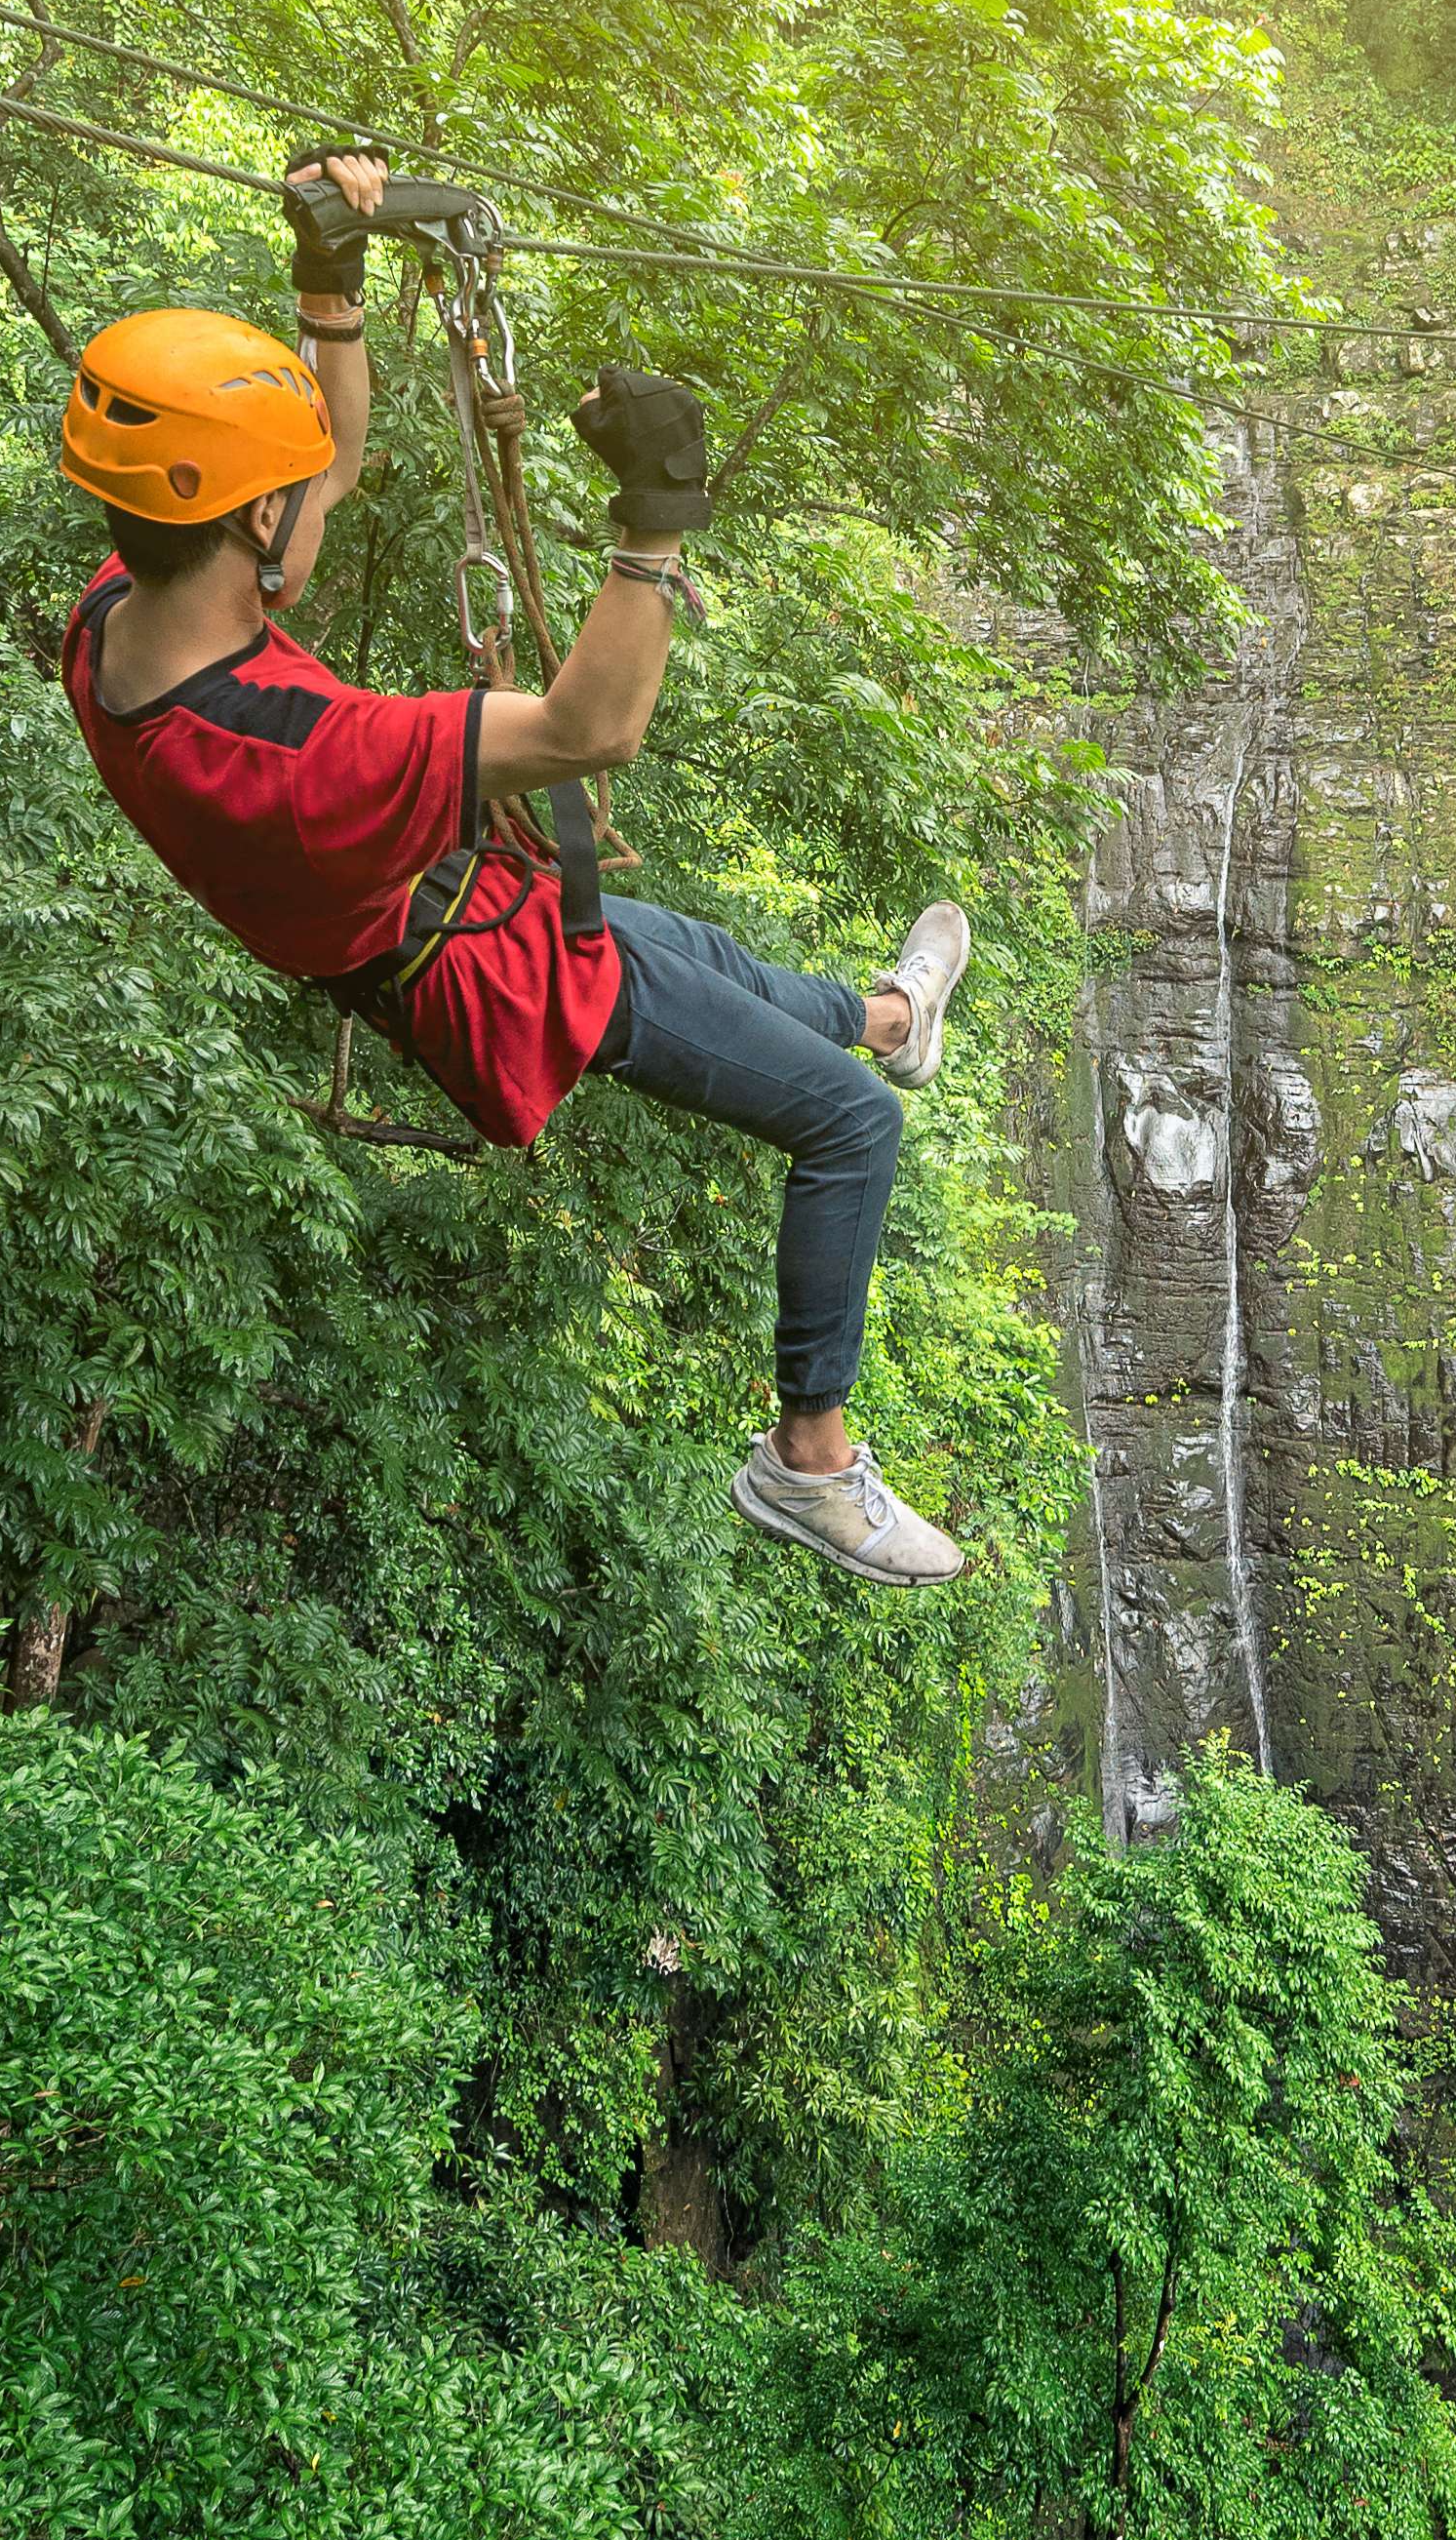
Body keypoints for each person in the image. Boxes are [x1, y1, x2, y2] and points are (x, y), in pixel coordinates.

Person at [56, 149, 976, 1587]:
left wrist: (329, 283)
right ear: (248, 522)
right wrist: (655, 519)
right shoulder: (298, 754)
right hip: (488, 971)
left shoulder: (119, 615)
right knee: (848, 1130)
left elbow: (326, 472)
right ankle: (808, 1461)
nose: (316, 489)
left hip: (475, 904)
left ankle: (895, 1018)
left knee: (725, 965)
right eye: (283, 488)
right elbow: (589, 726)